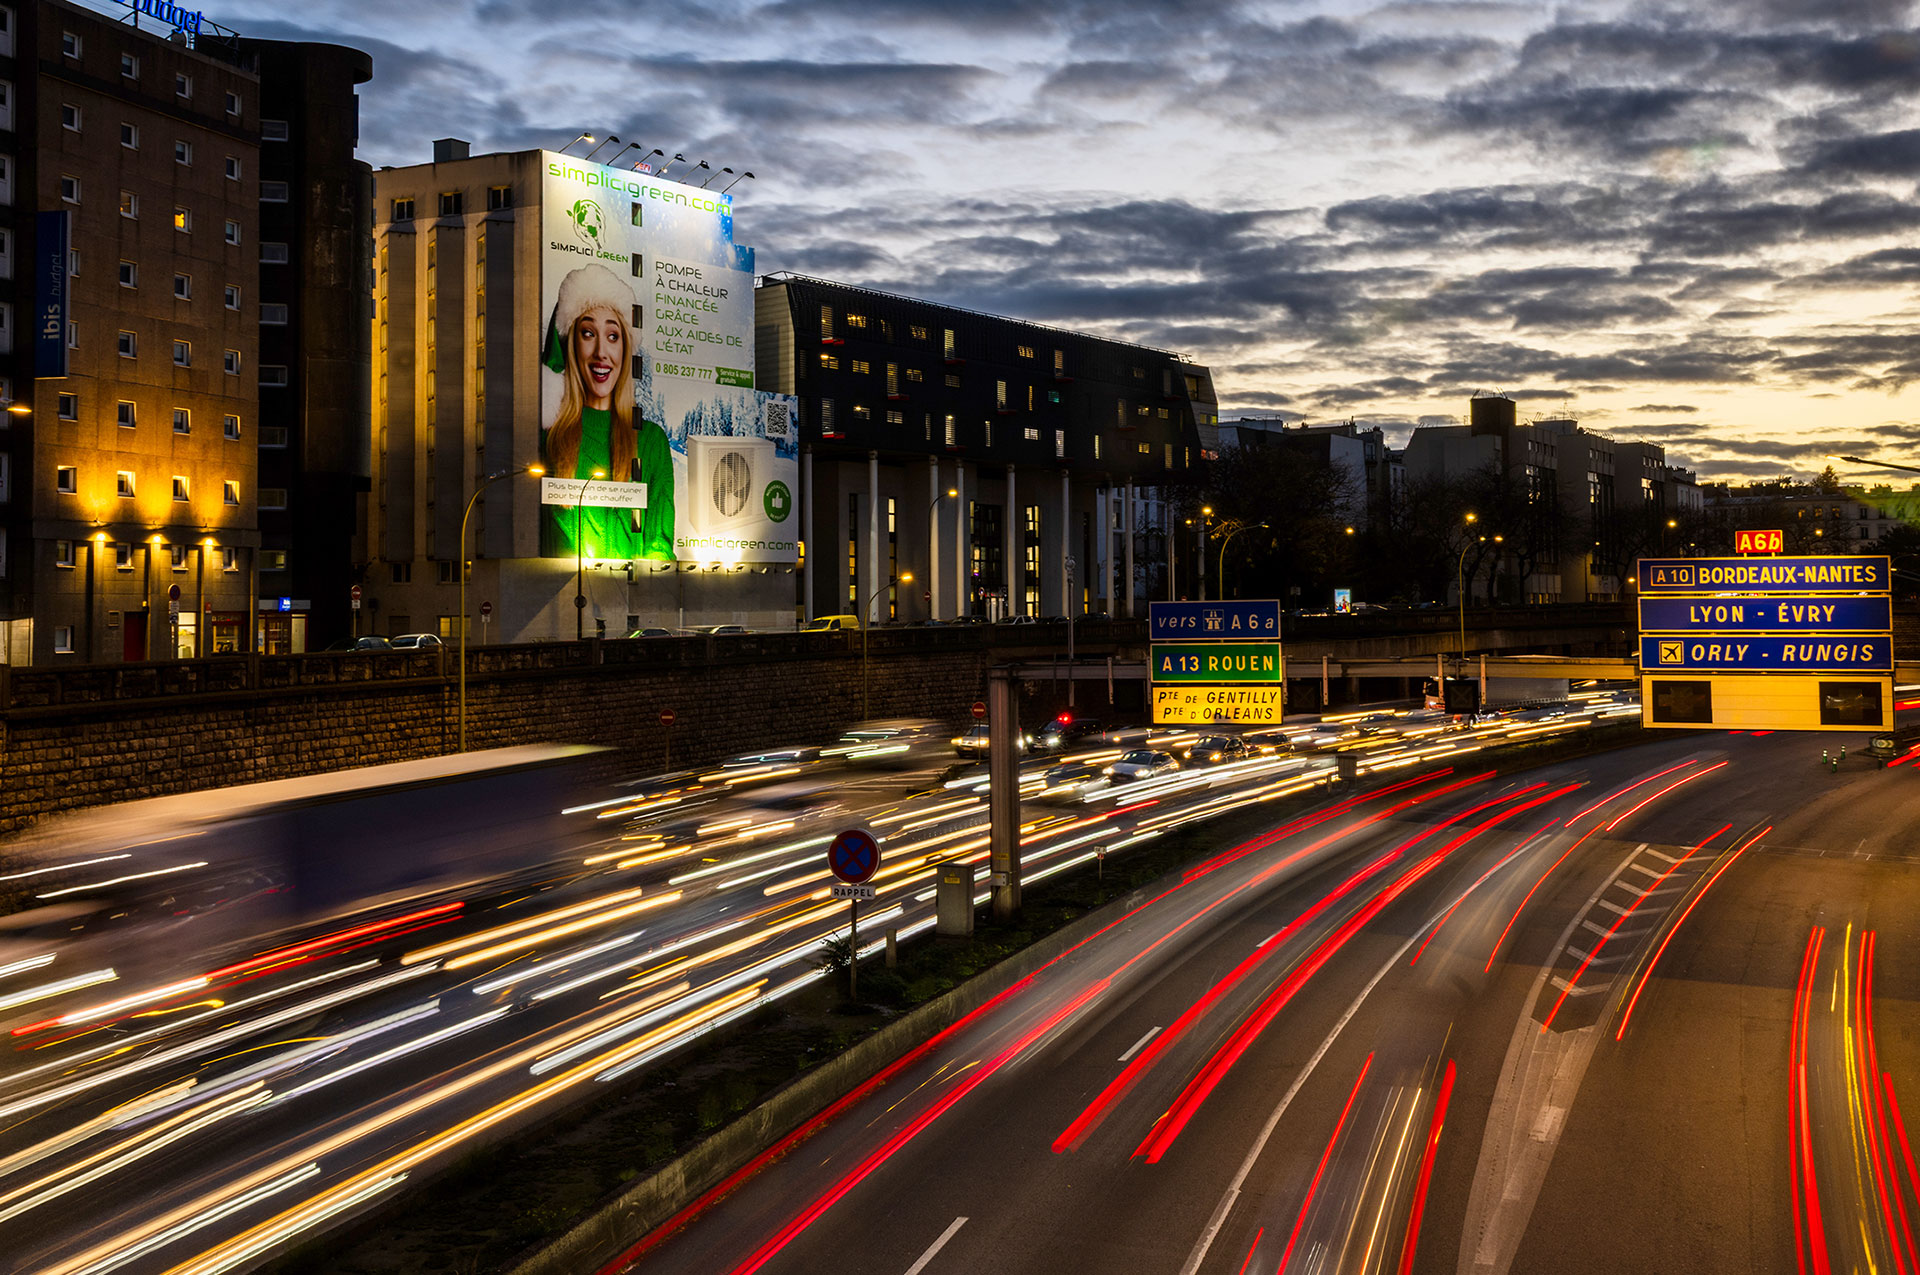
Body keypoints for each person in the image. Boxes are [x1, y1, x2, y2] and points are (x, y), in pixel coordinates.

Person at [539, 264, 675, 560]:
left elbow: (660, 544)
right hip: (560, 588)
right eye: (588, 333)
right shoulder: (549, 437)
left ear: (625, 347)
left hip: (632, 587)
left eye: (613, 336)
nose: (601, 351)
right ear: (572, 344)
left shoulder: (651, 441)